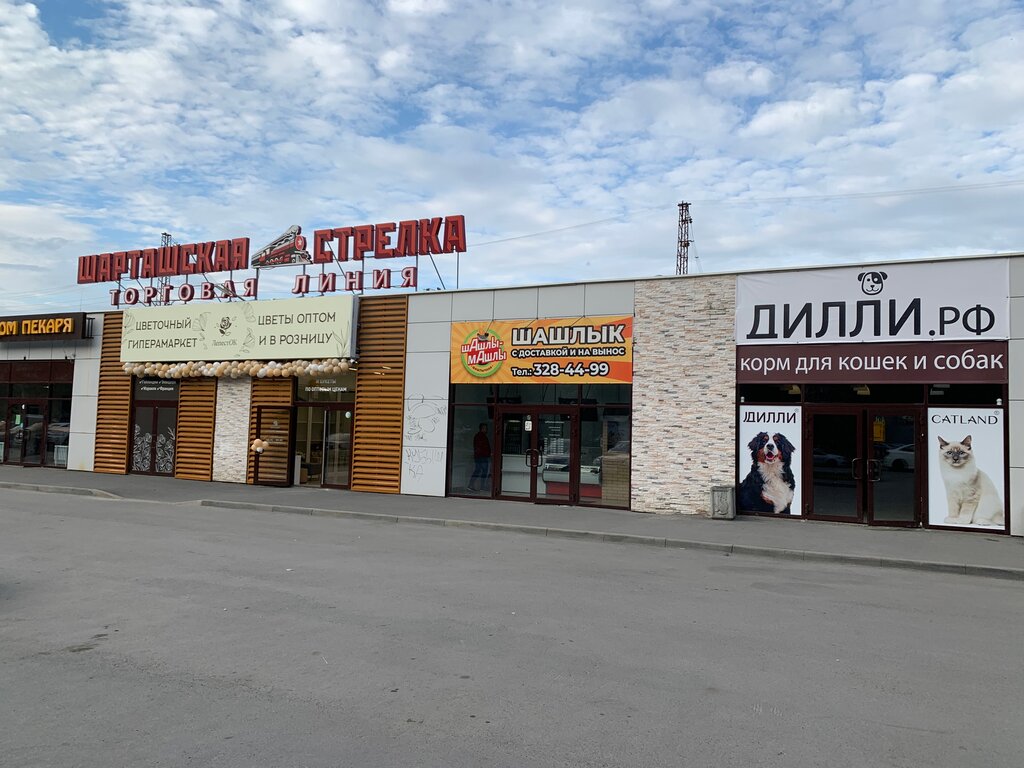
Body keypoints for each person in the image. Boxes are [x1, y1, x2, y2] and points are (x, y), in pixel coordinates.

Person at [468, 422, 491, 492]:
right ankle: (481, 487)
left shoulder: (478, 436)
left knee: (478, 470)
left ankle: (471, 485)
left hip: (479, 456)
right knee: (483, 471)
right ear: (482, 428)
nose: (487, 430)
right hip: (482, 456)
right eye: (485, 428)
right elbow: (482, 447)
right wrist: (488, 454)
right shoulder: (482, 437)